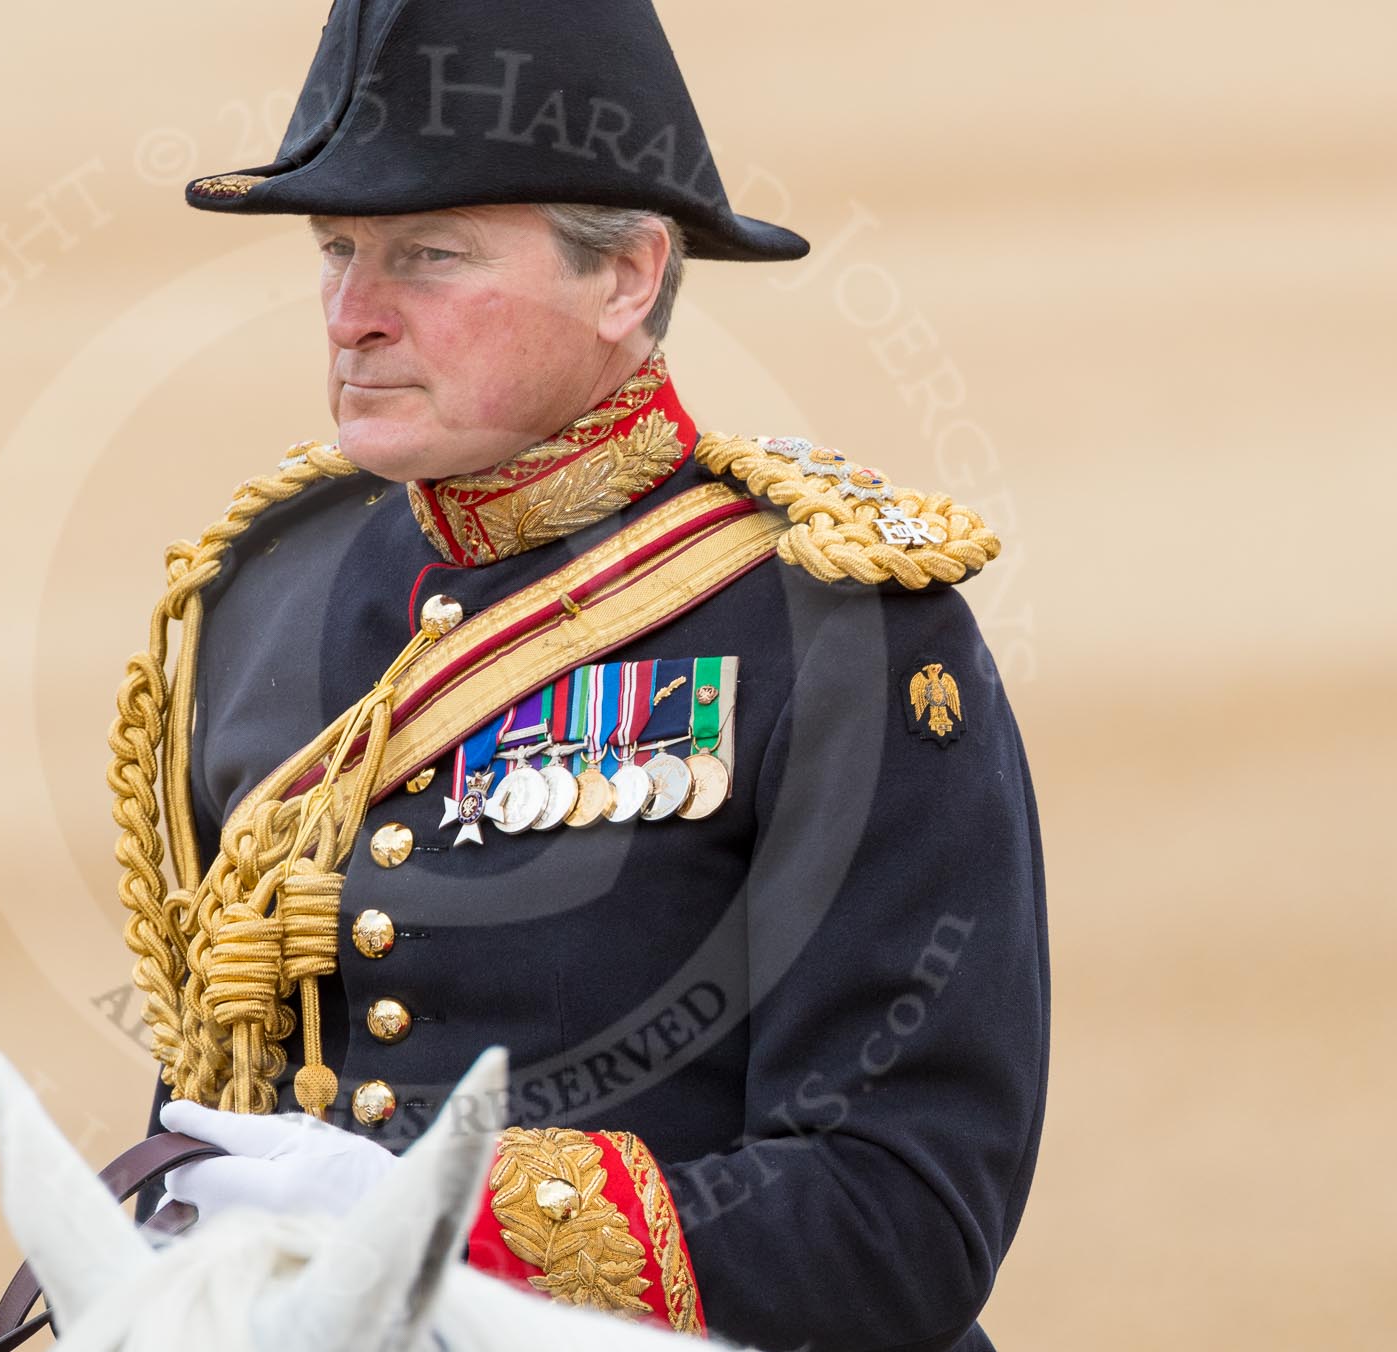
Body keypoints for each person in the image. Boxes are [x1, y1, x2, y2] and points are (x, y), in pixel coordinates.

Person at [105, 3, 1048, 1349]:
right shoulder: (258, 594)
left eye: (428, 255)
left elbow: (899, 1218)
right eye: (335, 251)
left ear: (626, 276)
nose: (353, 316)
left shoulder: (835, 623)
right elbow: (218, 1086)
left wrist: (440, 1219)